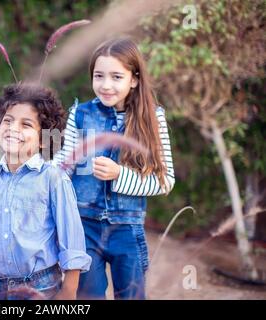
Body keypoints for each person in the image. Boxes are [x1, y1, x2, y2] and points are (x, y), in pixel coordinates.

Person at [53, 38, 175, 299]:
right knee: (87, 296)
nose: (106, 85)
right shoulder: (81, 114)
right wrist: (38, 174)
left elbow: (164, 181)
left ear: (134, 79)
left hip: (127, 230)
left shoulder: (154, 118)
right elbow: (66, 163)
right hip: (83, 228)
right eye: (99, 76)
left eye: (116, 76)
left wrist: (120, 174)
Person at [0, 82, 91, 300]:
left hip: (41, 287)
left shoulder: (53, 179)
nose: (13, 129)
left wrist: (69, 290)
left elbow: (71, 238)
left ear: (44, 139)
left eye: (26, 124)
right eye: (8, 121)